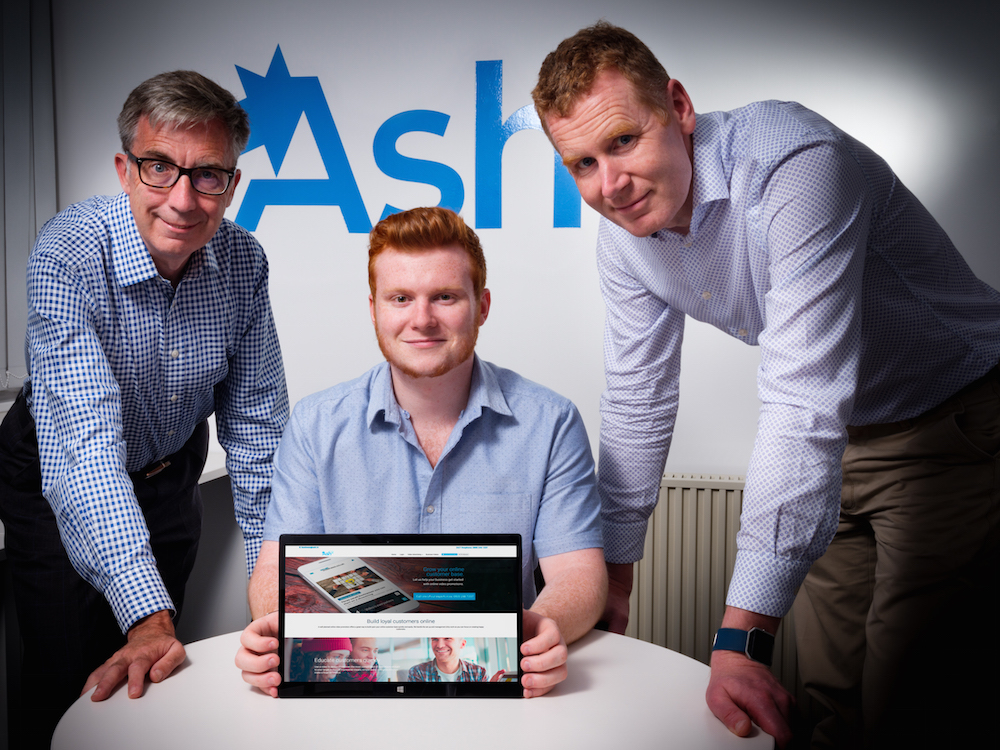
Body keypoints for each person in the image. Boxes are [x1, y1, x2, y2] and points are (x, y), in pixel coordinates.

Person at [532, 21, 1000, 749]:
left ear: (679, 107)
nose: (609, 186)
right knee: (818, 700)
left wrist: (740, 641)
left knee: (908, 697)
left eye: (623, 141)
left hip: (954, 426)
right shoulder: (624, 236)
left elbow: (802, 398)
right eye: (581, 164)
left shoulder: (795, 161)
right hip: (840, 445)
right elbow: (637, 400)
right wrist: (613, 579)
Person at [0, 70, 288, 748]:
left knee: (157, 671)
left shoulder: (244, 263)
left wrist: (273, 588)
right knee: (78, 681)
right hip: (58, 466)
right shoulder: (69, 255)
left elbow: (258, 435)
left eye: (208, 175)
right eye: (160, 168)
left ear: (232, 185)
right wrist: (146, 614)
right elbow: (85, 453)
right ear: (125, 169)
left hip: (168, 470)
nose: (183, 199)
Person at [235, 206, 607, 699]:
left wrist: (540, 629)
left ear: (483, 305)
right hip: (350, 692)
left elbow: (579, 573)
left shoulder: (550, 422)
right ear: (374, 310)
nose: (422, 319)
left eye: (445, 297)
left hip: (501, 701)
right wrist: (278, 628)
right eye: (400, 298)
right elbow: (272, 571)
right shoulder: (314, 425)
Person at [407, 637, 503, 683]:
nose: (440, 645)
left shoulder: (479, 672)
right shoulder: (417, 672)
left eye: (448, 638)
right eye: (435, 639)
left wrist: (490, 693)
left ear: (462, 644)